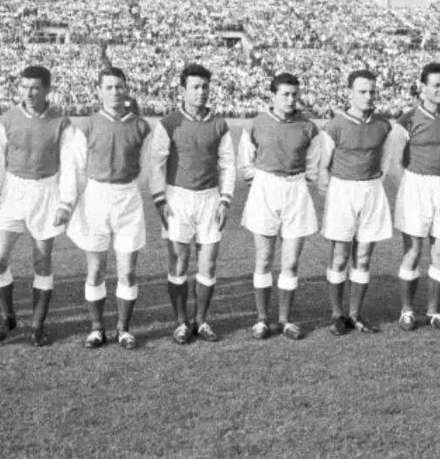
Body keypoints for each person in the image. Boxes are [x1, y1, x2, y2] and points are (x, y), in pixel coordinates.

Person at [58, 66, 152, 350]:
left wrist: (129, 187)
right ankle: (97, 327)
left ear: (126, 90)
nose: (114, 92)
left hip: (127, 199)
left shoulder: (142, 126)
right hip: (95, 198)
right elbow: (74, 167)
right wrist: (66, 203)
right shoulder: (86, 125)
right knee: (96, 269)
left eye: (119, 87)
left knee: (127, 271)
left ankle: (123, 328)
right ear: (99, 91)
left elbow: (146, 167)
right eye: (108, 87)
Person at [0, 65, 73, 347]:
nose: (29, 92)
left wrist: (65, 202)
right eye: (24, 86)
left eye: (35, 87)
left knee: (42, 261)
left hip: (46, 191)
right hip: (13, 191)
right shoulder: (8, 118)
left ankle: (37, 324)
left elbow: (70, 166)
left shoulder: (61, 121)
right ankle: (7, 315)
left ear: (47, 90)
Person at [149, 63, 236, 344]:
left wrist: (225, 200)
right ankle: (180, 322)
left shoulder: (220, 124)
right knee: (179, 261)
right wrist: (160, 200)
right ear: (183, 90)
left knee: (208, 263)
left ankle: (201, 320)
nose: (201, 92)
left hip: (210, 198)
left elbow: (227, 165)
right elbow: (157, 164)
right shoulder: (169, 123)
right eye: (195, 87)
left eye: (205, 87)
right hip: (178, 198)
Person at [237, 73, 321, 341]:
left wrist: (296, 182)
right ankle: (262, 319)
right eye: (284, 94)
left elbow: (313, 166)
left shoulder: (308, 127)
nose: (290, 99)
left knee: (291, 261)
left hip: (296, 189)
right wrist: (262, 182)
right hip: (264, 188)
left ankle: (285, 319)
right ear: (272, 96)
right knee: (263, 258)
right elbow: (245, 164)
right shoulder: (256, 124)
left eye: (294, 94)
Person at [387, 62, 440, 332]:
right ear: (423, 89)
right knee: (412, 251)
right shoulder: (407, 119)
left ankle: (434, 311)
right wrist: (408, 188)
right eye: (436, 85)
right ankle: (407, 310)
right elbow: (394, 161)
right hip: (414, 187)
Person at [316, 70, 394, 336]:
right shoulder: (335, 125)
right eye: (362, 91)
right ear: (350, 93)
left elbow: (385, 161)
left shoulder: (384, 125)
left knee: (363, 257)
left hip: (371, 190)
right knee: (339, 258)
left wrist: (372, 183)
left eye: (372, 91)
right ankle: (337, 315)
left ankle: (355, 314)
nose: (368, 96)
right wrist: (332, 193)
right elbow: (323, 165)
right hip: (342, 191)